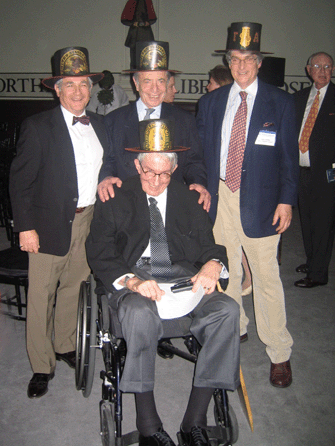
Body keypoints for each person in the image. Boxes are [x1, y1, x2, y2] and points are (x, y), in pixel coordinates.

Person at [86, 119, 240, 446]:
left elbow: (209, 246)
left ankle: (194, 421)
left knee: (227, 310)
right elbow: (98, 251)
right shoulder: (114, 197)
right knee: (141, 315)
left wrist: (214, 263)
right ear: (137, 165)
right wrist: (131, 282)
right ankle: (148, 423)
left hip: (181, 278)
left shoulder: (187, 198)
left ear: (175, 168)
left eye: (165, 174)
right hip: (134, 279)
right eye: (148, 172)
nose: (156, 182)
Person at [196, 22, 299, 388]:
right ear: (229, 60)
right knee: (227, 271)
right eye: (235, 59)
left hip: (263, 200)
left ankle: (279, 352)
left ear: (259, 62)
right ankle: (234, 328)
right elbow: (201, 155)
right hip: (221, 196)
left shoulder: (281, 102)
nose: (241, 66)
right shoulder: (209, 103)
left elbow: (289, 159)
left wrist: (287, 200)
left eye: (248, 59)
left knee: (266, 276)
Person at [9, 47, 107, 399]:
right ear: (57, 89)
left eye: (83, 83)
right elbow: (20, 182)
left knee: (74, 287)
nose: (78, 91)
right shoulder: (37, 127)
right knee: (41, 297)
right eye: (70, 84)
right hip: (47, 223)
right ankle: (40, 365)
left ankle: (66, 345)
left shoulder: (100, 124)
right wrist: (26, 227)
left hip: (88, 219)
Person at [98, 41, 210, 212]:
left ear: (167, 82)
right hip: (127, 206)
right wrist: (106, 177)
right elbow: (108, 160)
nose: (155, 89)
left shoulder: (185, 120)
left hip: (171, 205)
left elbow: (194, 161)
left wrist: (198, 182)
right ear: (136, 84)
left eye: (160, 81)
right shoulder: (114, 120)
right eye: (147, 81)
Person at [205, 64, 252, 296]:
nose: (207, 86)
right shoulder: (211, 105)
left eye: (211, 82)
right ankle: (235, 319)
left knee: (257, 255)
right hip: (221, 187)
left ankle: (250, 275)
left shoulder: (267, 102)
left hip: (251, 189)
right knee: (227, 247)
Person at [294, 52, 335, 288]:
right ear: (308, 69)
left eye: (328, 66)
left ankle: (319, 274)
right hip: (301, 171)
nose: (323, 70)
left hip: (327, 175)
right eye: (318, 66)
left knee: (323, 224)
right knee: (307, 221)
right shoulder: (299, 98)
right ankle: (312, 262)